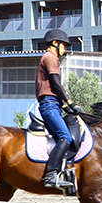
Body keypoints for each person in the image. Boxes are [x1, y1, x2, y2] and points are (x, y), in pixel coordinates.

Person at [36, 29, 82, 190]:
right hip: (49, 104)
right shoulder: (50, 57)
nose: (65, 48)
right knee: (65, 137)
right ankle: (50, 175)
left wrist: (64, 106)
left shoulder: (50, 57)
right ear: (55, 43)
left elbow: (53, 88)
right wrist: (70, 102)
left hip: (53, 103)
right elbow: (55, 84)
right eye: (64, 45)